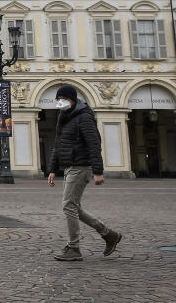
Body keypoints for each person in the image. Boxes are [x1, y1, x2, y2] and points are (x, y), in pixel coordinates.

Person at [47, 85, 122, 261]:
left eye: (63, 98)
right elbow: (59, 144)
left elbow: (94, 144)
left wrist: (98, 171)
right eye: (58, 99)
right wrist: (52, 169)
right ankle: (109, 234)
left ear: (72, 99)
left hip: (81, 166)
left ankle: (74, 248)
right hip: (69, 166)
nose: (60, 101)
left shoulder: (84, 117)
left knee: (68, 206)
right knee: (73, 207)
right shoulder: (64, 117)